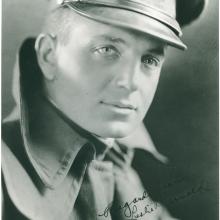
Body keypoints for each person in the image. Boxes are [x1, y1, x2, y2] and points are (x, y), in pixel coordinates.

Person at [2, 0, 206, 219]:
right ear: (48, 56)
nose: (130, 82)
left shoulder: (126, 165)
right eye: (107, 50)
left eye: (149, 59)